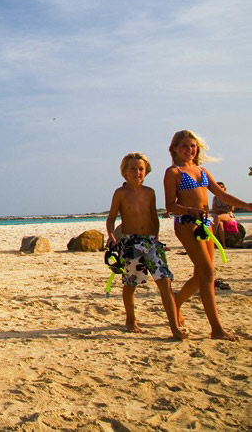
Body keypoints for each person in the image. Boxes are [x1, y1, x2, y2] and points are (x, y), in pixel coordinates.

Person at [164, 130, 249, 341]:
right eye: (184, 145)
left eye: (192, 146)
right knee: (208, 273)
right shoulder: (173, 172)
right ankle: (216, 329)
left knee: (200, 275)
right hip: (186, 224)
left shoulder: (201, 170)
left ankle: (175, 302)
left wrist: (246, 205)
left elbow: (222, 194)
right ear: (174, 148)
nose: (189, 150)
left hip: (205, 223)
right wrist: (189, 210)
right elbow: (170, 205)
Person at [106, 152, 186, 339]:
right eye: (133, 169)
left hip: (151, 242)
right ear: (125, 172)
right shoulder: (120, 193)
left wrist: (156, 239)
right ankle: (130, 319)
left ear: (146, 171)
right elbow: (111, 219)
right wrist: (111, 235)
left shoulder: (150, 192)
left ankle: (174, 328)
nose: (137, 172)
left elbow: (153, 217)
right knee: (131, 284)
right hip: (130, 243)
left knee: (164, 281)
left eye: (141, 169)